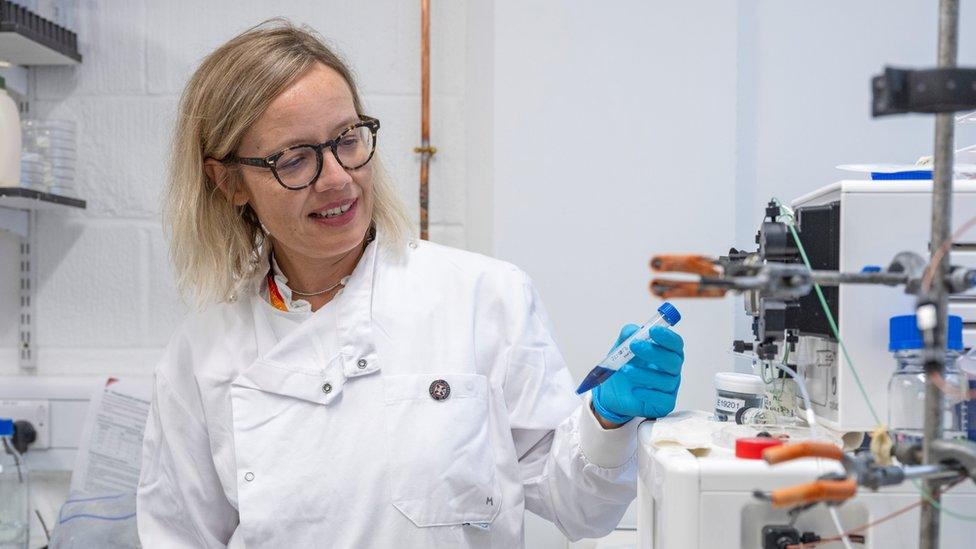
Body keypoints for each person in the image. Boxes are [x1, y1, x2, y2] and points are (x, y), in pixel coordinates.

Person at [136, 19, 685, 548]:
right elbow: (175, 537)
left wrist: (606, 420)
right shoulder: (201, 358)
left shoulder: (482, 299)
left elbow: (579, 510)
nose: (337, 178)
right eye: (295, 159)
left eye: (347, 139)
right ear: (229, 180)